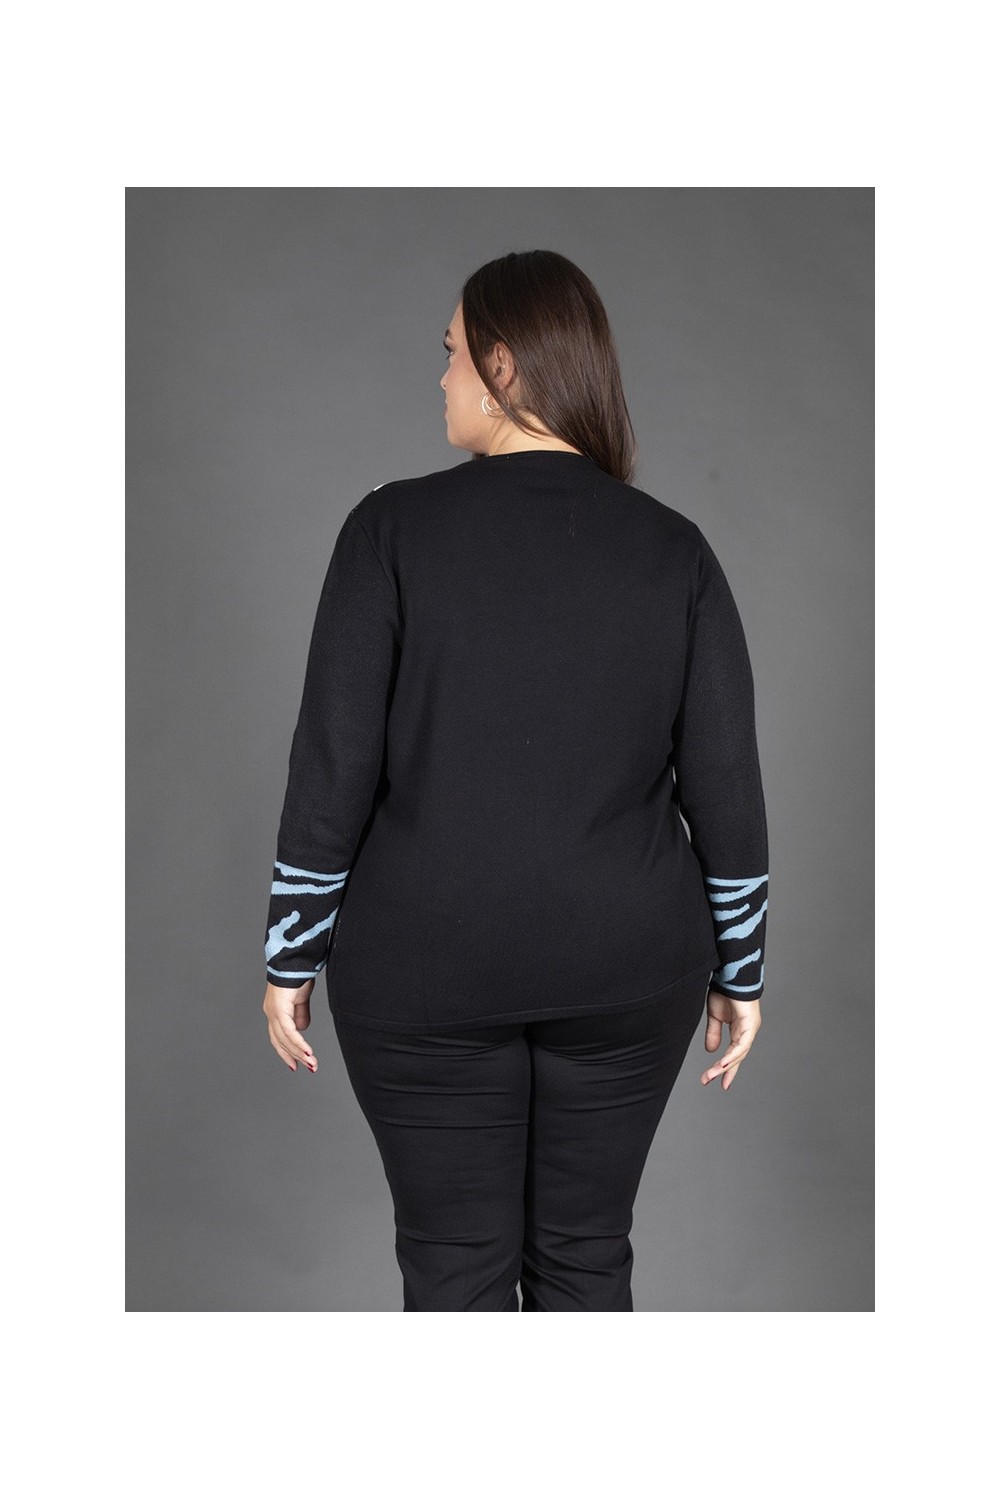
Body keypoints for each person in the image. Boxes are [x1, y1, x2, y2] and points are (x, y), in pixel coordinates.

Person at [261, 249, 769, 1312]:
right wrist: (743, 971)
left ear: (501, 365)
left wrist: (290, 952)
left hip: (424, 965)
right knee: (588, 1255)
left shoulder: (389, 529)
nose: (441, 376)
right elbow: (724, 779)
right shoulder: (674, 550)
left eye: (451, 353)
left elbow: (334, 761)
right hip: (628, 965)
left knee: (453, 1271)